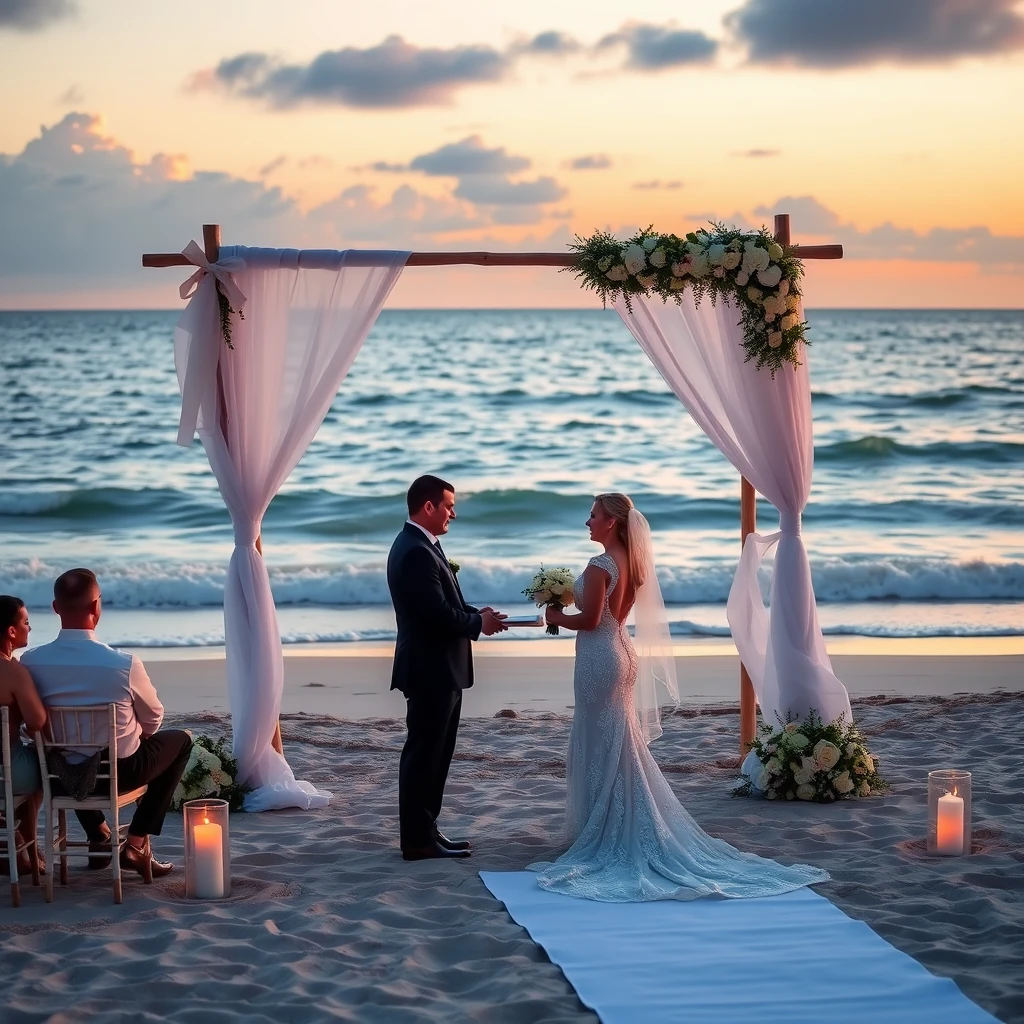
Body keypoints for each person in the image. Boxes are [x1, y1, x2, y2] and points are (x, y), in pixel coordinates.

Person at [530, 493, 829, 901]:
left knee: (600, 740)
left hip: (600, 658)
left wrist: (555, 616)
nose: (588, 521)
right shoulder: (631, 562)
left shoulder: (600, 564)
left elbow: (591, 620)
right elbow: (614, 614)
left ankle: (604, 826)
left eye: (593, 515)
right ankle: (619, 819)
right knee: (619, 739)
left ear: (612, 522)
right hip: (622, 653)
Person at [21, 568, 192, 879]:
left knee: (72, 752)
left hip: (58, 777)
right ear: (96, 606)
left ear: (56, 607)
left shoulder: (31, 662)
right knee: (181, 740)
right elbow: (154, 717)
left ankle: (99, 833)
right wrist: (136, 734)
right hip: (121, 773)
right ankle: (135, 844)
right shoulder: (123, 663)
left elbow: (29, 724)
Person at [387, 475, 508, 861]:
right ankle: (417, 840)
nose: (453, 514)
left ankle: (427, 831)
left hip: (439, 669)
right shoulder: (416, 551)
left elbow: (442, 603)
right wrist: (477, 624)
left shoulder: (421, 545)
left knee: (436, 755)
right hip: (430, 670)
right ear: (428, 507)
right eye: (449, 506)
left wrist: (477, 614)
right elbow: (435, 615)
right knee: (424, 755)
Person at [0, 596, 46, 878]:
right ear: (11, 631)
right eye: (26, 622)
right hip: (6, 772)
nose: (30, 628)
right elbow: (37, 722)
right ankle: (28, 848)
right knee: (42, 766)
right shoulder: (13, 671)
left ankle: (15, 840)